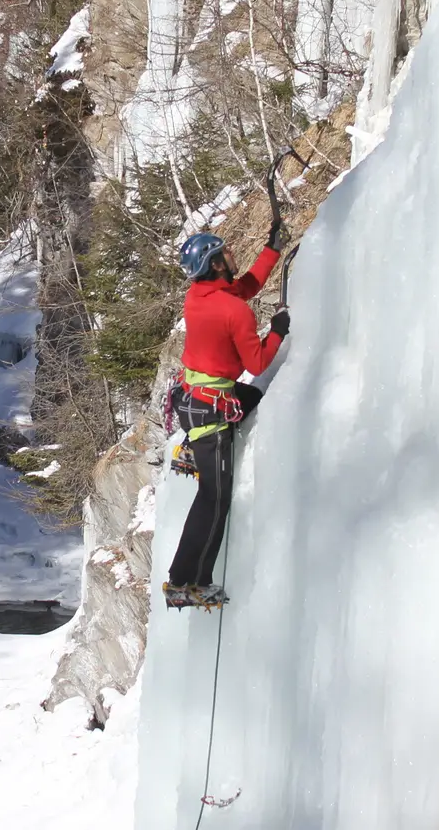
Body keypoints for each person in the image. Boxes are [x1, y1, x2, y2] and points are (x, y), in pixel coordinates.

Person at [162, 218, 290, 610]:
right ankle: (186, 581)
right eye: (226, 251)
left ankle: (188, 449)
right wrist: (279, 331)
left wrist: (272, 250)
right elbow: (259, 359)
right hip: (210, 416)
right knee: (214, 500)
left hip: (193, 401)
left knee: (250, 396)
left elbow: (243, 289)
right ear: (217, 264)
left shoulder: (199, 296)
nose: (233, 253)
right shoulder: (234, 311)